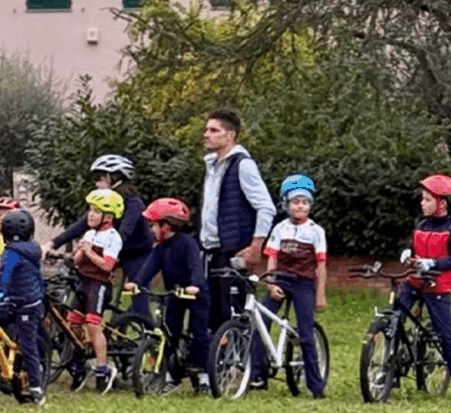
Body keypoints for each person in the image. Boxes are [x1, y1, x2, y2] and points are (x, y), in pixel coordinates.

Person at [42, 155, 153, 321]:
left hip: (137, 253)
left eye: (99, 178)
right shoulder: (104, 201)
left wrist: (96, 250)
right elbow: (82, 224)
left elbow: (124, 234)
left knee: (138, 297)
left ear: (114, 177)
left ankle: (149, 335)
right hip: (116, 251)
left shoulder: (133, 202)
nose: (96, 183)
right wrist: (52, 243)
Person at [199, 107, 276, 335]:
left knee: (233, 310)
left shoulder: (243, 165)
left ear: (230, 135)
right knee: (212, 310)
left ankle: (244, 365)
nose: (206, 134)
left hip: (233, 249)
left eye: (214, 130)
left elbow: (266, 207)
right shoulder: (211, 166)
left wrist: (256, 246)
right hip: (210, 248)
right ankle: (216, 365)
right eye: (206, 129)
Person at [250, 174, 327, 397]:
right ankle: (257, 375)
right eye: (295, 202)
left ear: (310, 205)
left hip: (303, 283)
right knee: (261, 324)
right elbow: (272, 259)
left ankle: (316, 385)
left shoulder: (316, 231)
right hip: (281, 280)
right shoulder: (279, 229)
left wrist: (320, 294)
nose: (300, 206)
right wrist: (271, 284)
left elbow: (320, 265)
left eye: (304, 202)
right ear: (286, 204)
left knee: (306, 333)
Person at [127, 198, 211, 395]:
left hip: (195, 294)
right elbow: (149, 267)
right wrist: (137, 283)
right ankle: (172, 376)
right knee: (169, 331)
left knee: (199, 333)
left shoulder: (187, 243)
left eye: (153, 226)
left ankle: (204, 376)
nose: (151, 231)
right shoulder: (160, 248)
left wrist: (196, 285)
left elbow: (195, 267)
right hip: (174, 293)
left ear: (166, 225)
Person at [398, 174, 451, 401]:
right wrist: (409, 253)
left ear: (441, 204)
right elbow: (415, 245)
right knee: (394, 318)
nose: (422, 203)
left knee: (444, 335)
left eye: (427, 200)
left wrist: (434, 264)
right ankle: (390, 369)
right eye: (423, 199)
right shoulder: (421, 224)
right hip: (415, 280)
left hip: (438, 284)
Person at [66, 188, 125, 394]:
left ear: (108, 217)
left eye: (96, 211)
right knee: (72, 323)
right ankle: (81, 360)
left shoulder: (112, 237)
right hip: (83, 282)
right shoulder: (90, 233)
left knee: (93, 324)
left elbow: (107, 266)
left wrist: (90, 251)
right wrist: (80, 252)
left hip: (99, 285)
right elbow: (77, 261)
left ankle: (102, 369)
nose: (90, 215)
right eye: (90, 210)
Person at [0, 209, 46, 406]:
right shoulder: (33, 249)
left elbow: (5, 279)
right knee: (20, 339)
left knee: (27, 344)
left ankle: (37, 388)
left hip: (24, 304)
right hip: (33, 300)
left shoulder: (10, 254)